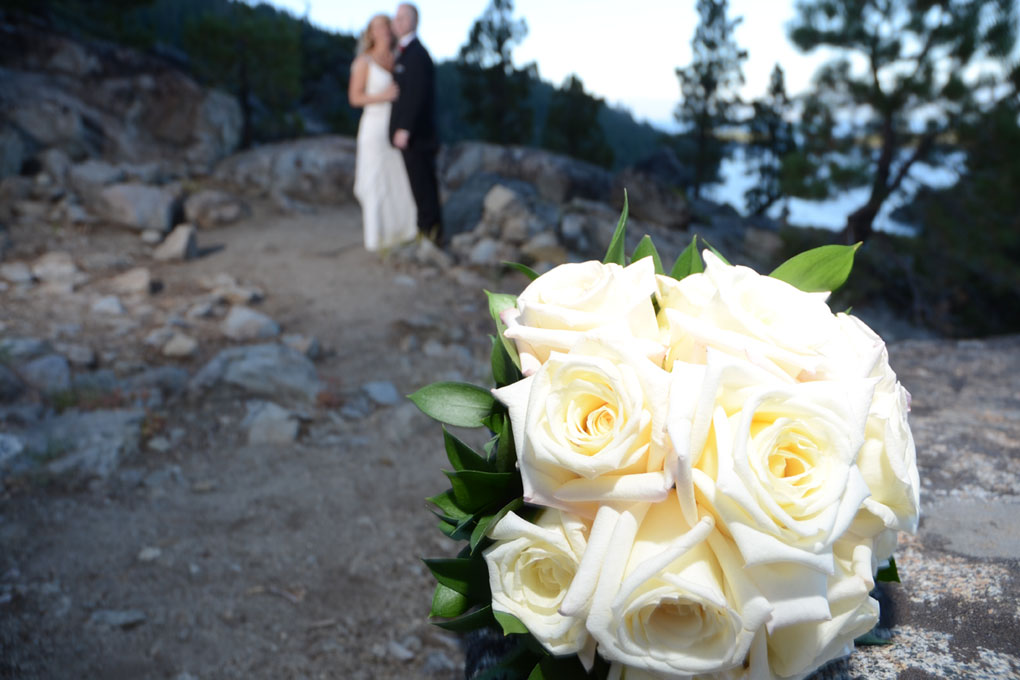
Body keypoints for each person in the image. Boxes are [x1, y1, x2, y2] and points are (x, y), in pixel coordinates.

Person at [348, 14, 418, 252]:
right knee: (375, 180)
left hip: (395, 127)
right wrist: (383, 96)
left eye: (387, 26)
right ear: (371, 33)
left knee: (397, 179)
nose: (385, 30)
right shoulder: (363, 62)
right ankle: (376, 239)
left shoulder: (397, 58)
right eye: (378, 27)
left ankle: (402, 232)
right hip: (374, 128)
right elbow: (355, 98)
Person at [390, 3, 443, 245]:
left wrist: (405, 128)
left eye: (403, 17)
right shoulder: (405, 52)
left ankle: (431, 236)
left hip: (417, 136)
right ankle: (427, 233)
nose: (398, 21)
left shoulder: (418, 54)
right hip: (412, 136)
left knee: (424, 187)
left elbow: (417, 94)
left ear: (414, 21)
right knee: (418, 186)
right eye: (396, 17)